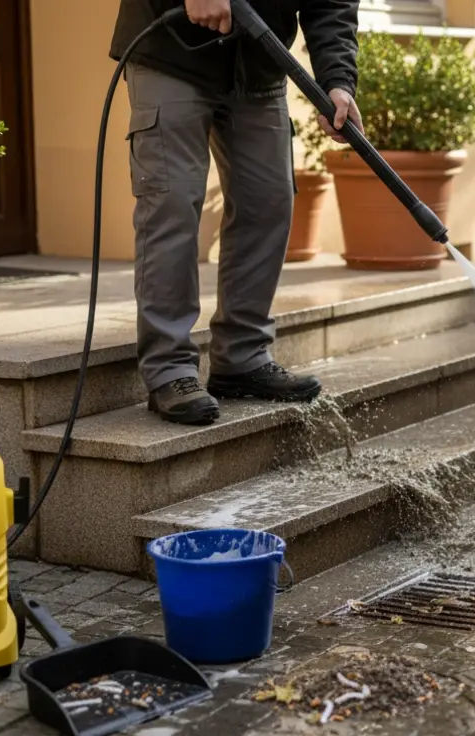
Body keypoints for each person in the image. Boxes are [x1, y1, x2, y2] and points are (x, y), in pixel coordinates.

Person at [109, 0, 362, 425]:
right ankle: (170, 370)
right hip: (172, 52)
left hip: (259, 62)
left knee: (269, 201)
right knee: (172, 204)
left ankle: (242, 357)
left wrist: (337, 81)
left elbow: (332, 3)